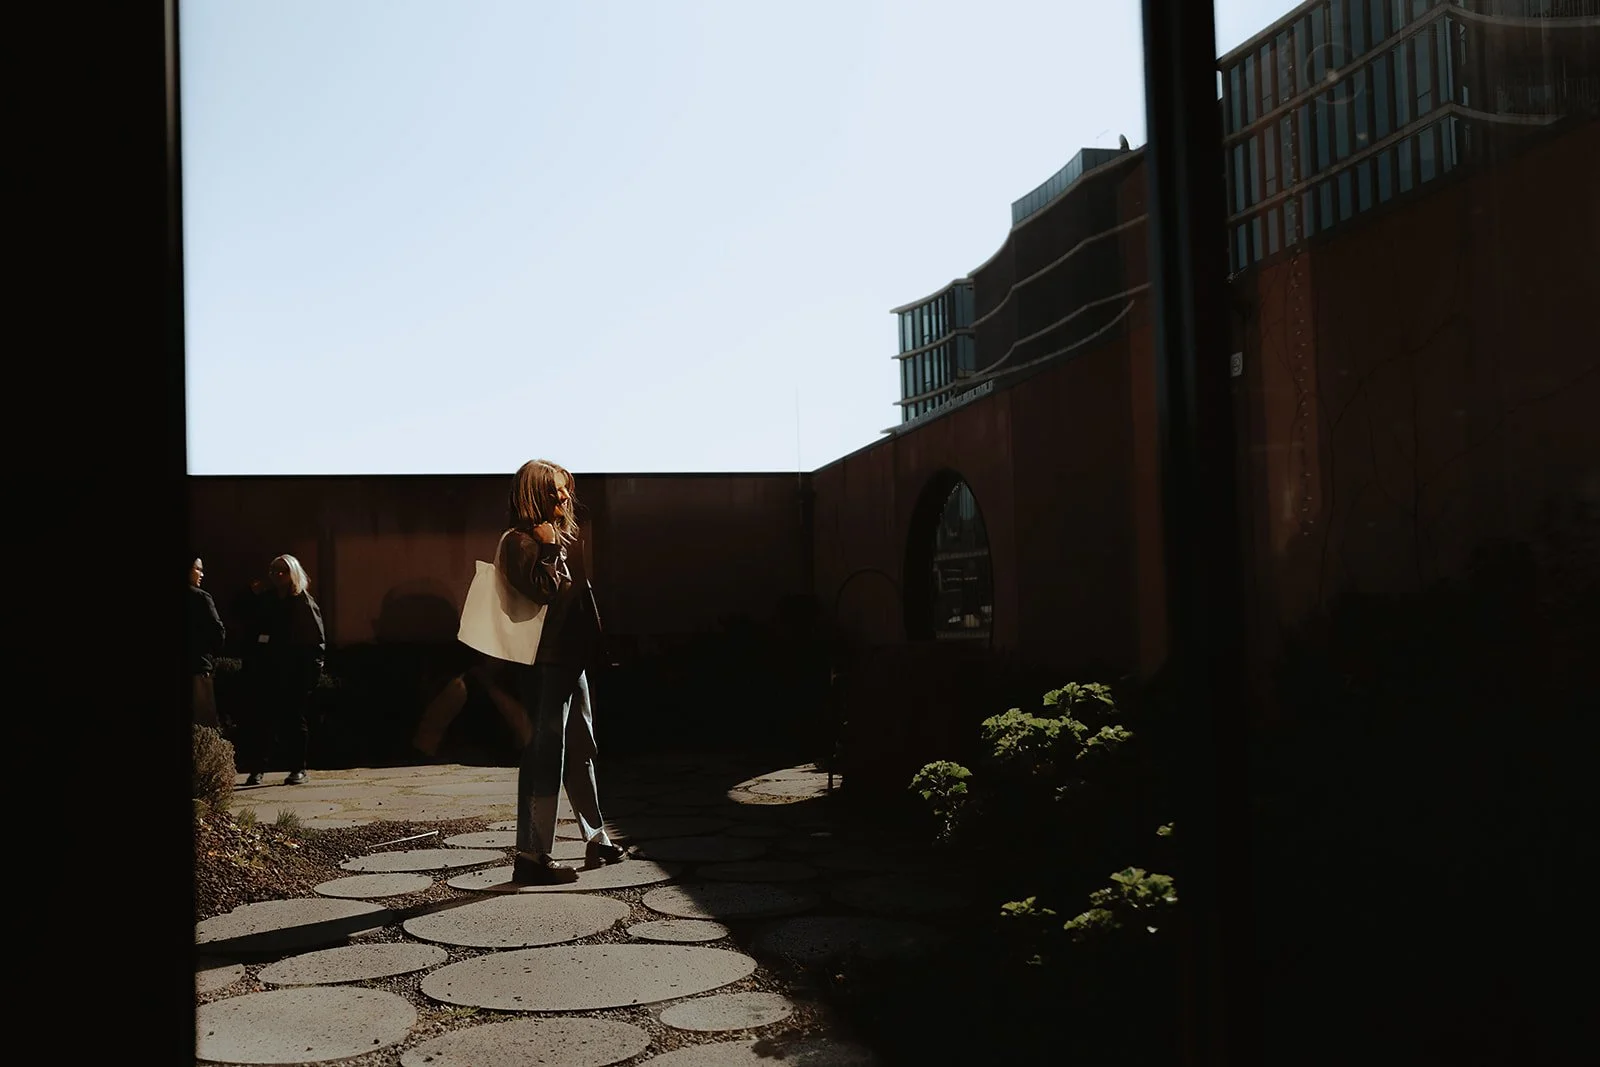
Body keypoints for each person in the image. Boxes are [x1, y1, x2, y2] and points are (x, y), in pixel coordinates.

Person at [498, 459, 625, 884]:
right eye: (553, 490)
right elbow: (542, 591)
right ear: (533, 494)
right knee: (544, 756)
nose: (564, 497)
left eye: (565, 489)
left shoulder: (563, 539)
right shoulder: (520, 542)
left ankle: (597, 837)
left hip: (571, 660)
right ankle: (531, 855)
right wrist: (549, 547)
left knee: (582, 749)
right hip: (545, 664)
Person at [240, 554, 326, 786]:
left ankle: (298, 768)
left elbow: (316, 642)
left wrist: (311, 675)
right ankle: (257, 768)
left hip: (295, 671)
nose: (277, 575)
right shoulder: (267, 600)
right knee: (262, 721)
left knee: (294, 721)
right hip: (268, 669)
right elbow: (253, 629)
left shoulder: (303, 602)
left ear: (293, 574)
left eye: (282, 571)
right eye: (274, 571)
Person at [187, 554, 226, 728]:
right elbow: (218, 631)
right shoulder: (201, 597)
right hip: (198, 667)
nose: (201, 574)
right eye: (198, 569)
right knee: (204, 723)